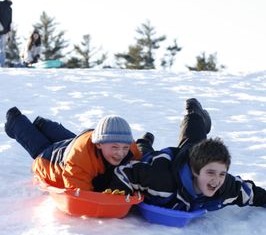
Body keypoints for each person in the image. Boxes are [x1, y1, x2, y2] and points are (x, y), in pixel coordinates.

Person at [107, 98, 266, 211]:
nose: (216, 179)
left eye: (222, 173)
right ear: (195, 170)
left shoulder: (224, 187)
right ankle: (145, 140)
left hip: (192, 156)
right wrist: (121, 193)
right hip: (165, 163)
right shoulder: (160, 179)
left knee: (195, 142)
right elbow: (125, 172)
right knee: (145, 154)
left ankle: (196, 114)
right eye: (211, 172)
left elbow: (250, 192)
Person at [4, 107, 154, 191]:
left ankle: (44, 125)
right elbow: (80, 195)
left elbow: (140, 156)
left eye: (125, 147)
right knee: (40, 146)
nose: (120, 153)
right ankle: (15, 121)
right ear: (99, 143)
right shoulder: (79, 161)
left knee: (71, 142)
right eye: (115, 147)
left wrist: (145, 143)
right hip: (51, 161)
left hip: (76, 144)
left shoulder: (129, 149)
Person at [0, 0, 12, 67]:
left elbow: (9, 21)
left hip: (4, 32)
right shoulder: (1, 4)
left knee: (2, 49)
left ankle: (2, 64)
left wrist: (9, 32)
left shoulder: (10, 9)